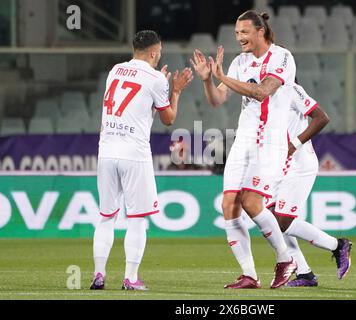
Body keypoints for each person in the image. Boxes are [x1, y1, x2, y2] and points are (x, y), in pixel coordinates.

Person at [191, 10, 297, 289]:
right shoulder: (240, 61)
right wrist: (207, 80)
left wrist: (223, 77)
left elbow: (262, 91)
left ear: (260, 31)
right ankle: (249, 274)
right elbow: (217, 101)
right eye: (237, 33)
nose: (240, 38)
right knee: (229, 204)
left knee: (251, 202)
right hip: (244, 141)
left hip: (271, 142)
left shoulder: (282, 57)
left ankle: (285, 259)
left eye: (244, 32)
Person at [90, 30, 193, 291]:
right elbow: (168, 119)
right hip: (134, 154)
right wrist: (176, 91)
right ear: (154, 52)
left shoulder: (115, 71)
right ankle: (131, 278)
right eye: (159, 52)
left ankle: (99, 275)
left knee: (106, 217)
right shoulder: (157, 78)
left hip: (106, 151)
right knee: (136, 219)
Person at [267, 82, 352, 287]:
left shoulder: (291, 89)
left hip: (298, 164)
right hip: (278, 166)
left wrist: (293, 145)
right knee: (270, 219)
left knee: (282, 222)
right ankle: (304, 273)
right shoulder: (265, 94)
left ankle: (338, 245)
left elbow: (322, 118)